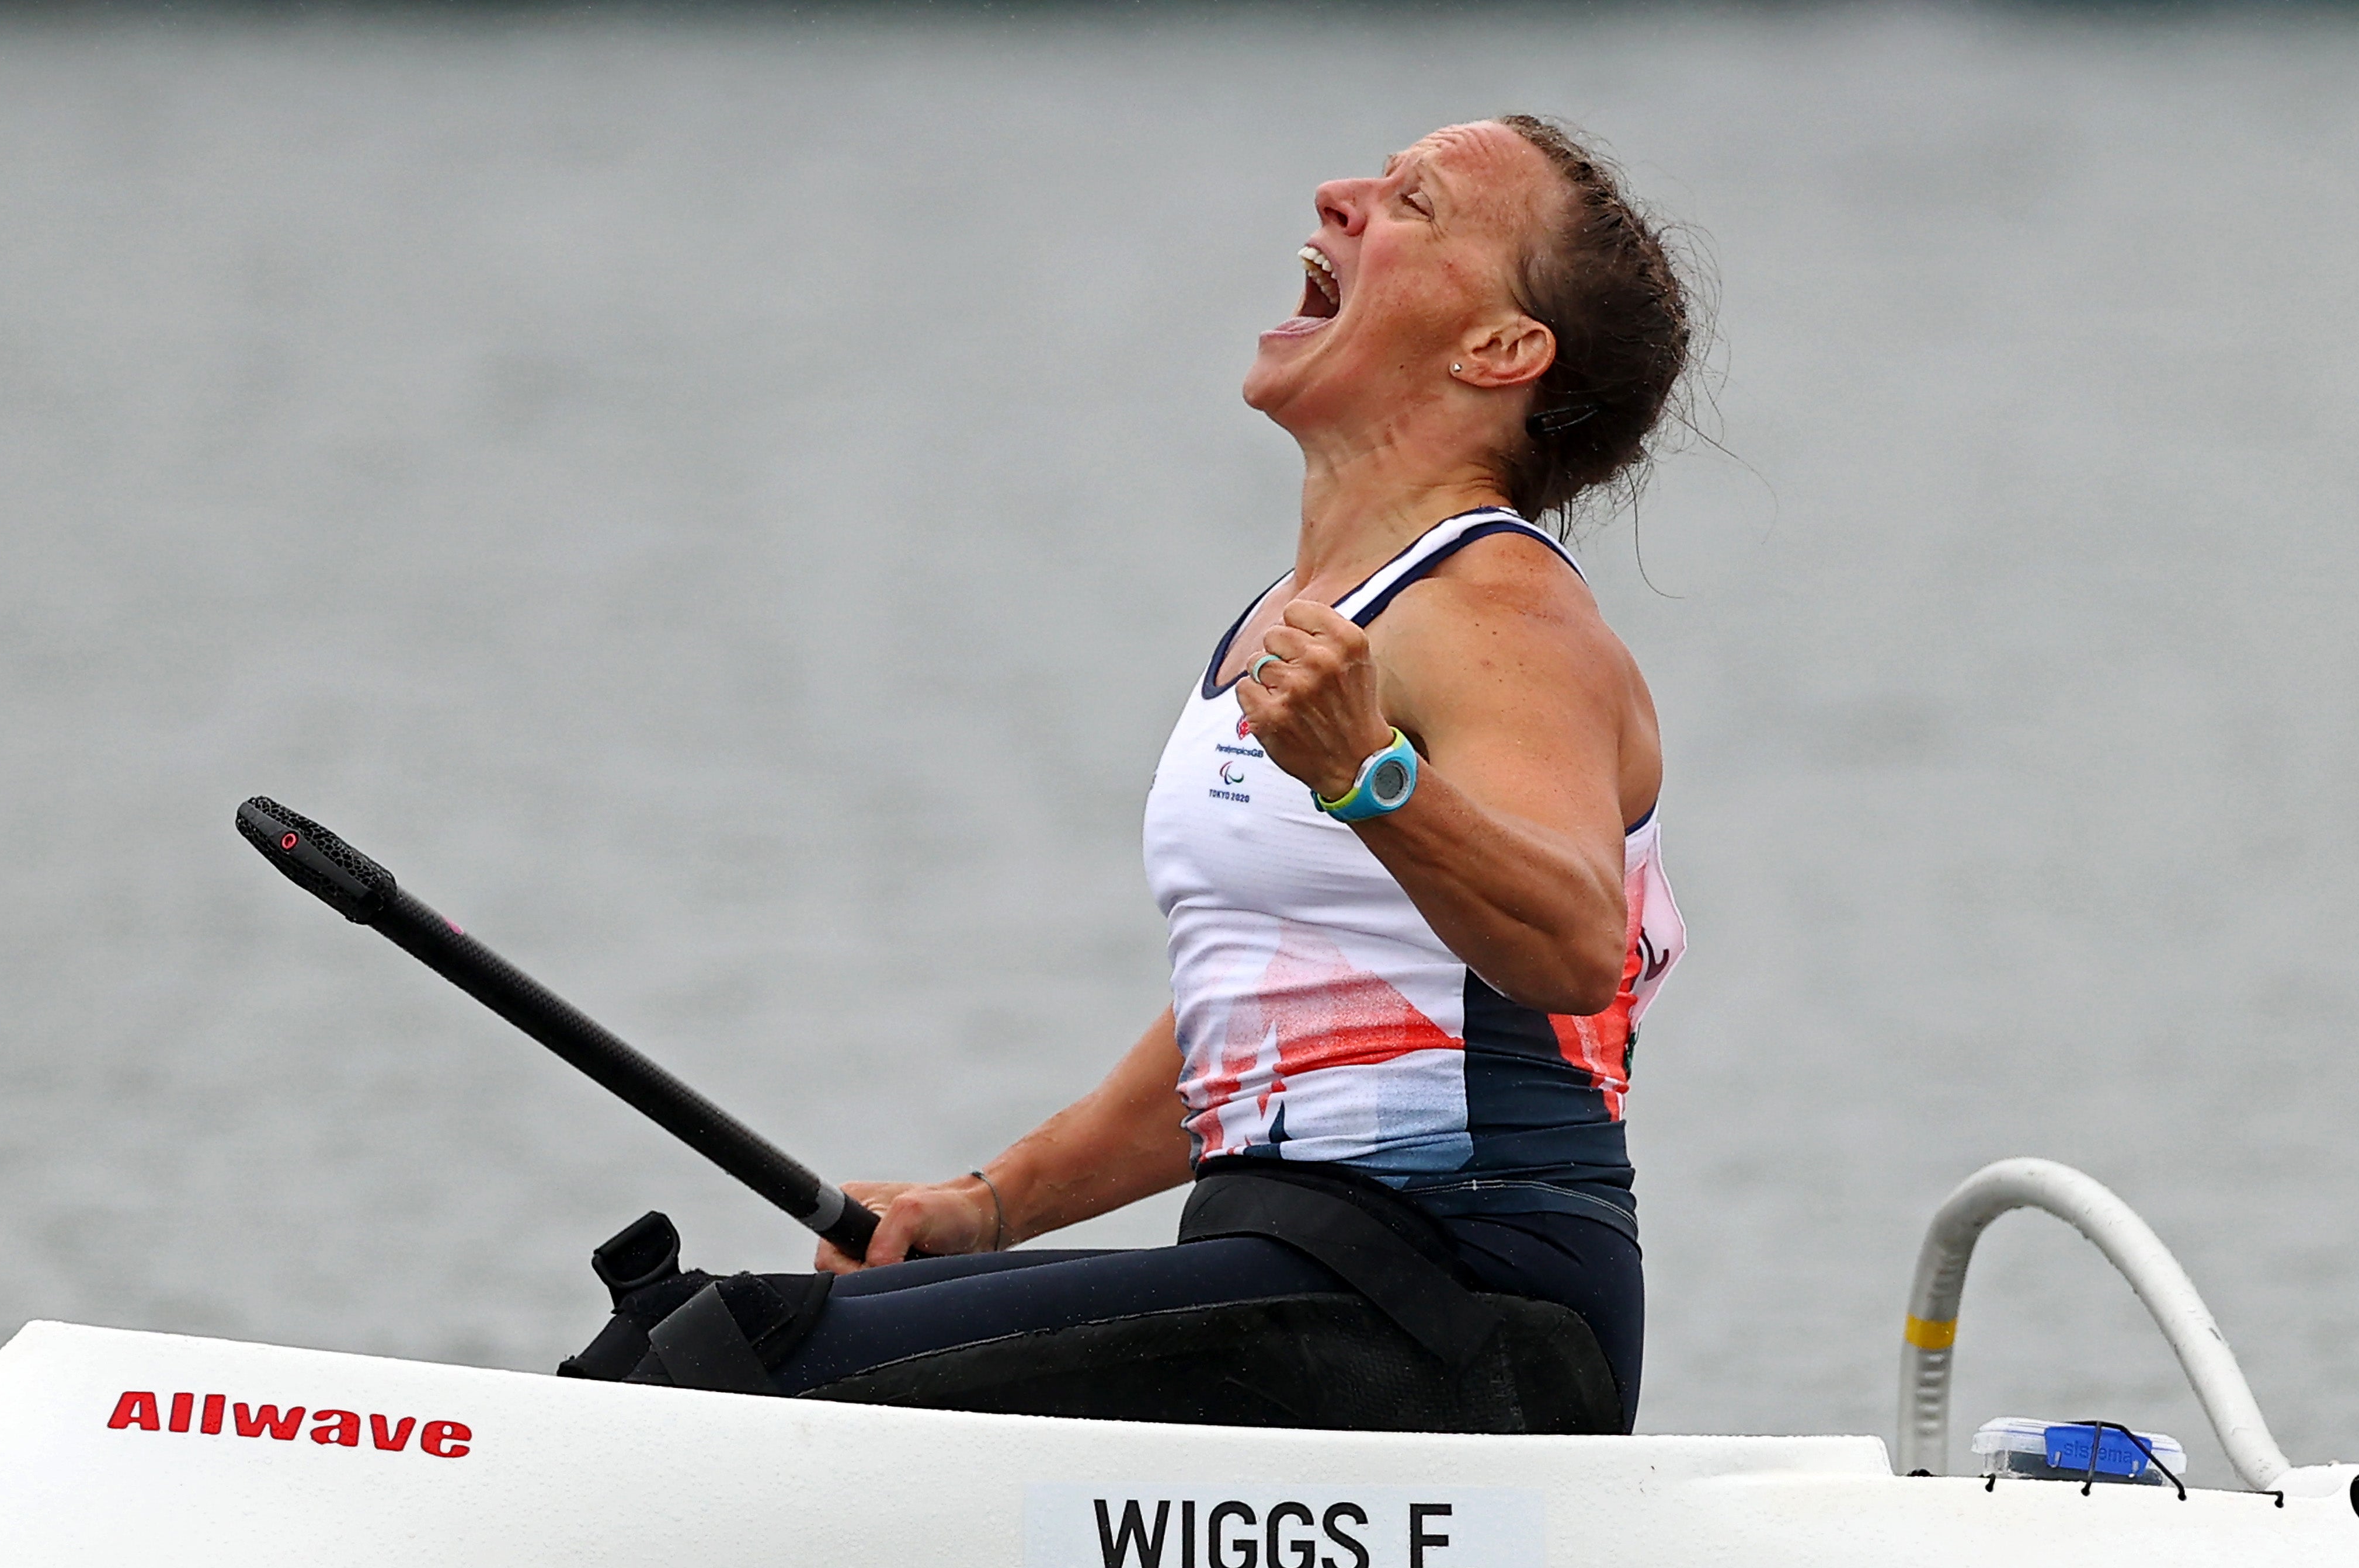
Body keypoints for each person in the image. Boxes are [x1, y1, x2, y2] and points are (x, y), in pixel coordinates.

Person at [569, 117, 1697, 1434]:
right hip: (1309, 1273)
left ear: (1499, 350)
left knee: (721, 1364)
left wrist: (1372, 776)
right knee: (682, 1339)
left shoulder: (1502, 611)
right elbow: (1263, 1029)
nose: (1337, 195)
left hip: (1472, 1305)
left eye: (1413, 203)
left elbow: (1571, 945)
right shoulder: (1305, 619)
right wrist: (996, 1203)